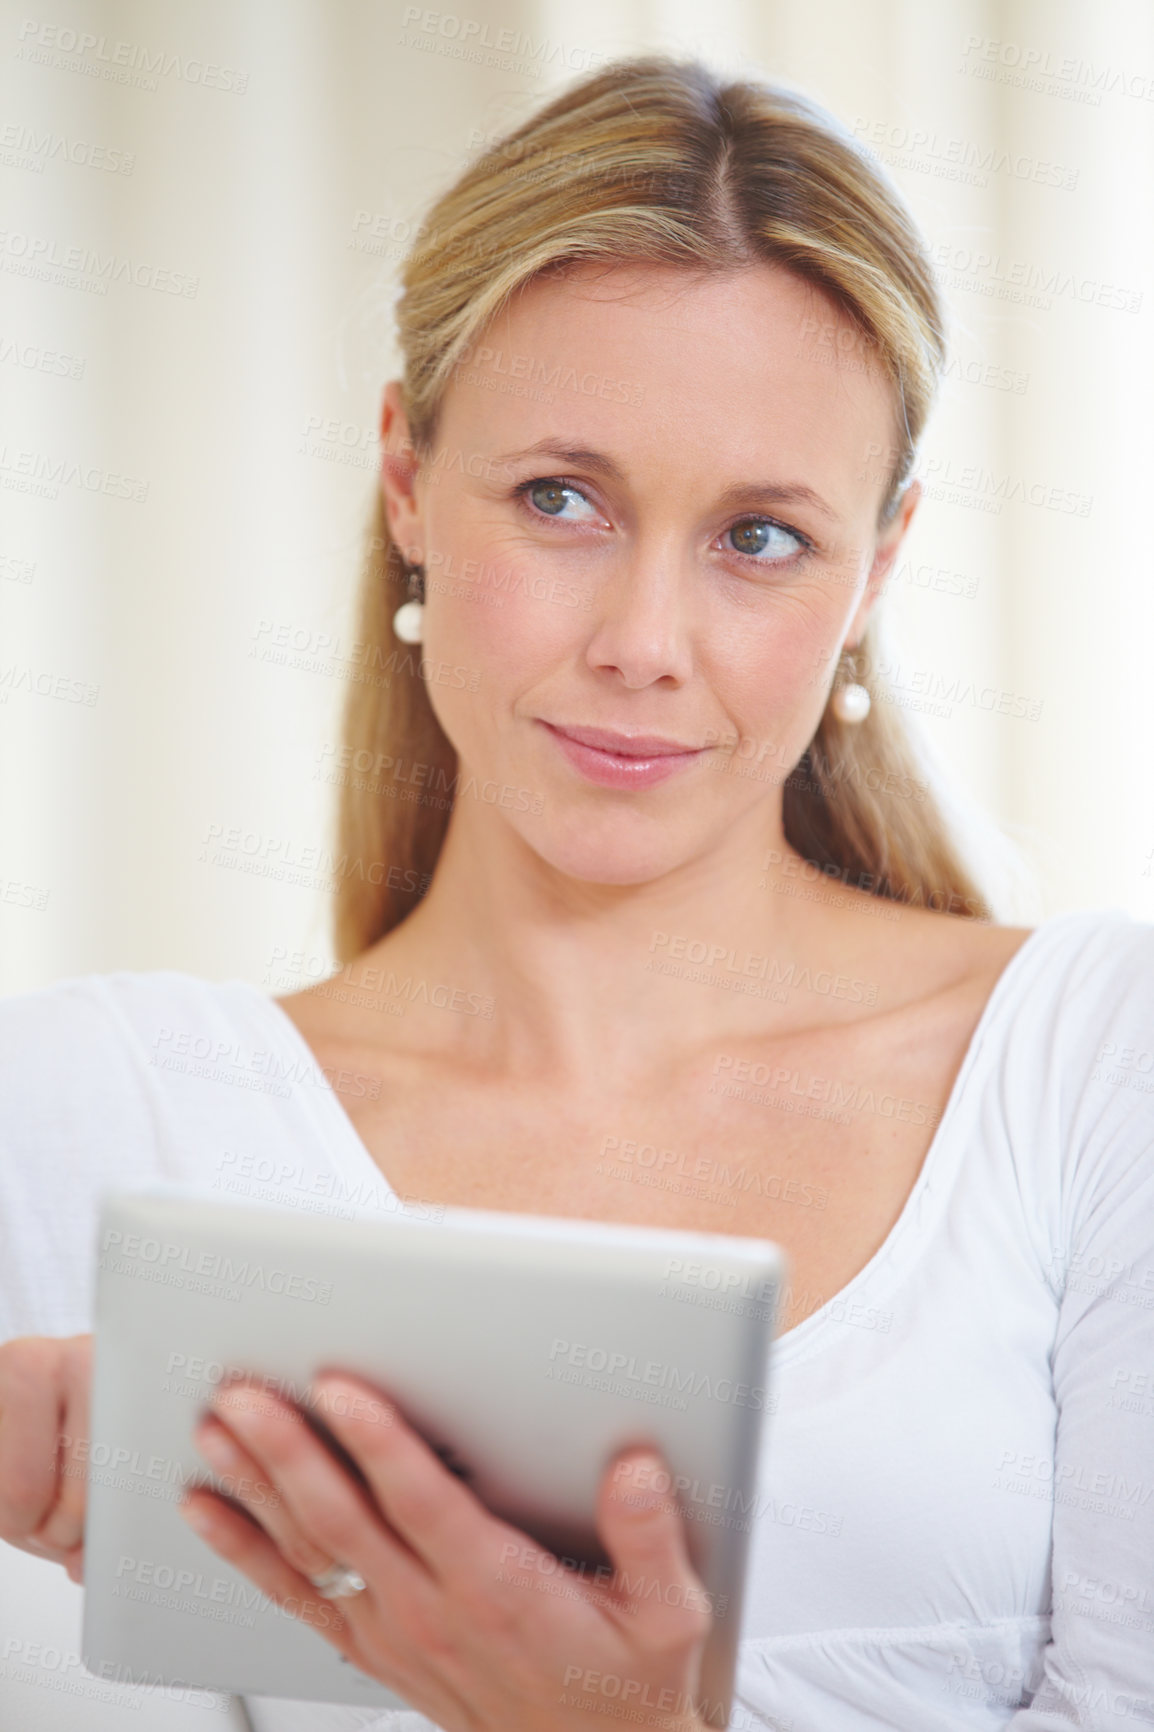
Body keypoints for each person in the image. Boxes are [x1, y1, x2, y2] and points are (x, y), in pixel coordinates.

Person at [1, 49, 1152, 1732]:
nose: (641, 646)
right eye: (559, 498)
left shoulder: (1093, 1075)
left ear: (877, 568)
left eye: (760, 537)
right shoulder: (82, 1116)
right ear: (406, 479)